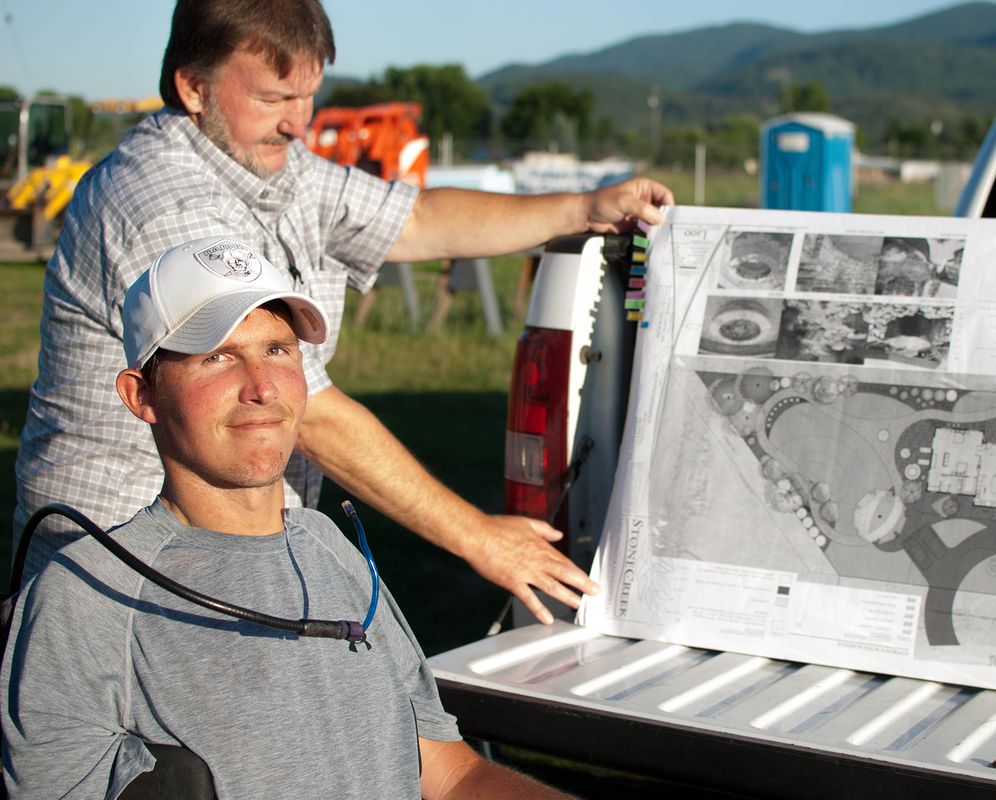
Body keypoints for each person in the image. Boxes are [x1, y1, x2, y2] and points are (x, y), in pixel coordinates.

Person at [13, 0, 675, 623]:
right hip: (122, 574)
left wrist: (586, 208)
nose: (298, 122)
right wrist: (480, 538)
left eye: (307, 95)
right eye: (273, 98)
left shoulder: (272, 163)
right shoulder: (166, 205)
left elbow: (414, 218)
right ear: (193, 89)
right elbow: (296, 408)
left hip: (220, 547)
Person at [2, 238, 575, 799]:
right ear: (141, 395)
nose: (262, 388)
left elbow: (452, 776)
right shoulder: (86, 597)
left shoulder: (332, 550)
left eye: (277, 350)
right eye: (217, 357)